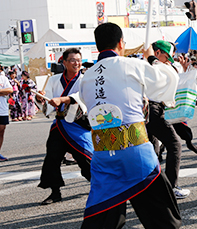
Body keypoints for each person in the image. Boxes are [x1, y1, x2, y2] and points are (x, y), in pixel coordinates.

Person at [79, 23, 181, 229]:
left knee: (102, 216)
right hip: (134, 151)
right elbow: (168, 79)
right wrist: (151, 58)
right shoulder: (131, 65)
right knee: (162, 217)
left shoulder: (86, 76)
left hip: (103, 154)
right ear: (120, 43)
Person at [37, 48, 93, 205]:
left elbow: (82, 97)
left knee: (86, 157)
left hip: (78, 124)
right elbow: (48, 101)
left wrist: (63, 99)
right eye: (73, 60)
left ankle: (99, 187)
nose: (77, 63)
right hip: (60, 124)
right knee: (52, 158)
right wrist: (40, 98)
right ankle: (55, 192)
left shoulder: (85, 79)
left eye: (79, 60)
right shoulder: (54, 80)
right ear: (64, 62)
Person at [147, 40, 191, 200]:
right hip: (152, 109)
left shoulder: (156, 65)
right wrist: (151, 58)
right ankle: (170, 187)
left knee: (153, 150)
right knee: (174, 145)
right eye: (167, 57)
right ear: (157, 53)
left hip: (151, 109)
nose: (169, 61)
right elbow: (158, 67)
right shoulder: (153, 66)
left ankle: (154, 187)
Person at [0, 74, 13, 161]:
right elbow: (6, 91)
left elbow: (10, 90)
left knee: (1, 130)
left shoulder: (3, 78)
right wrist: (2, 92)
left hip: (2, 109)